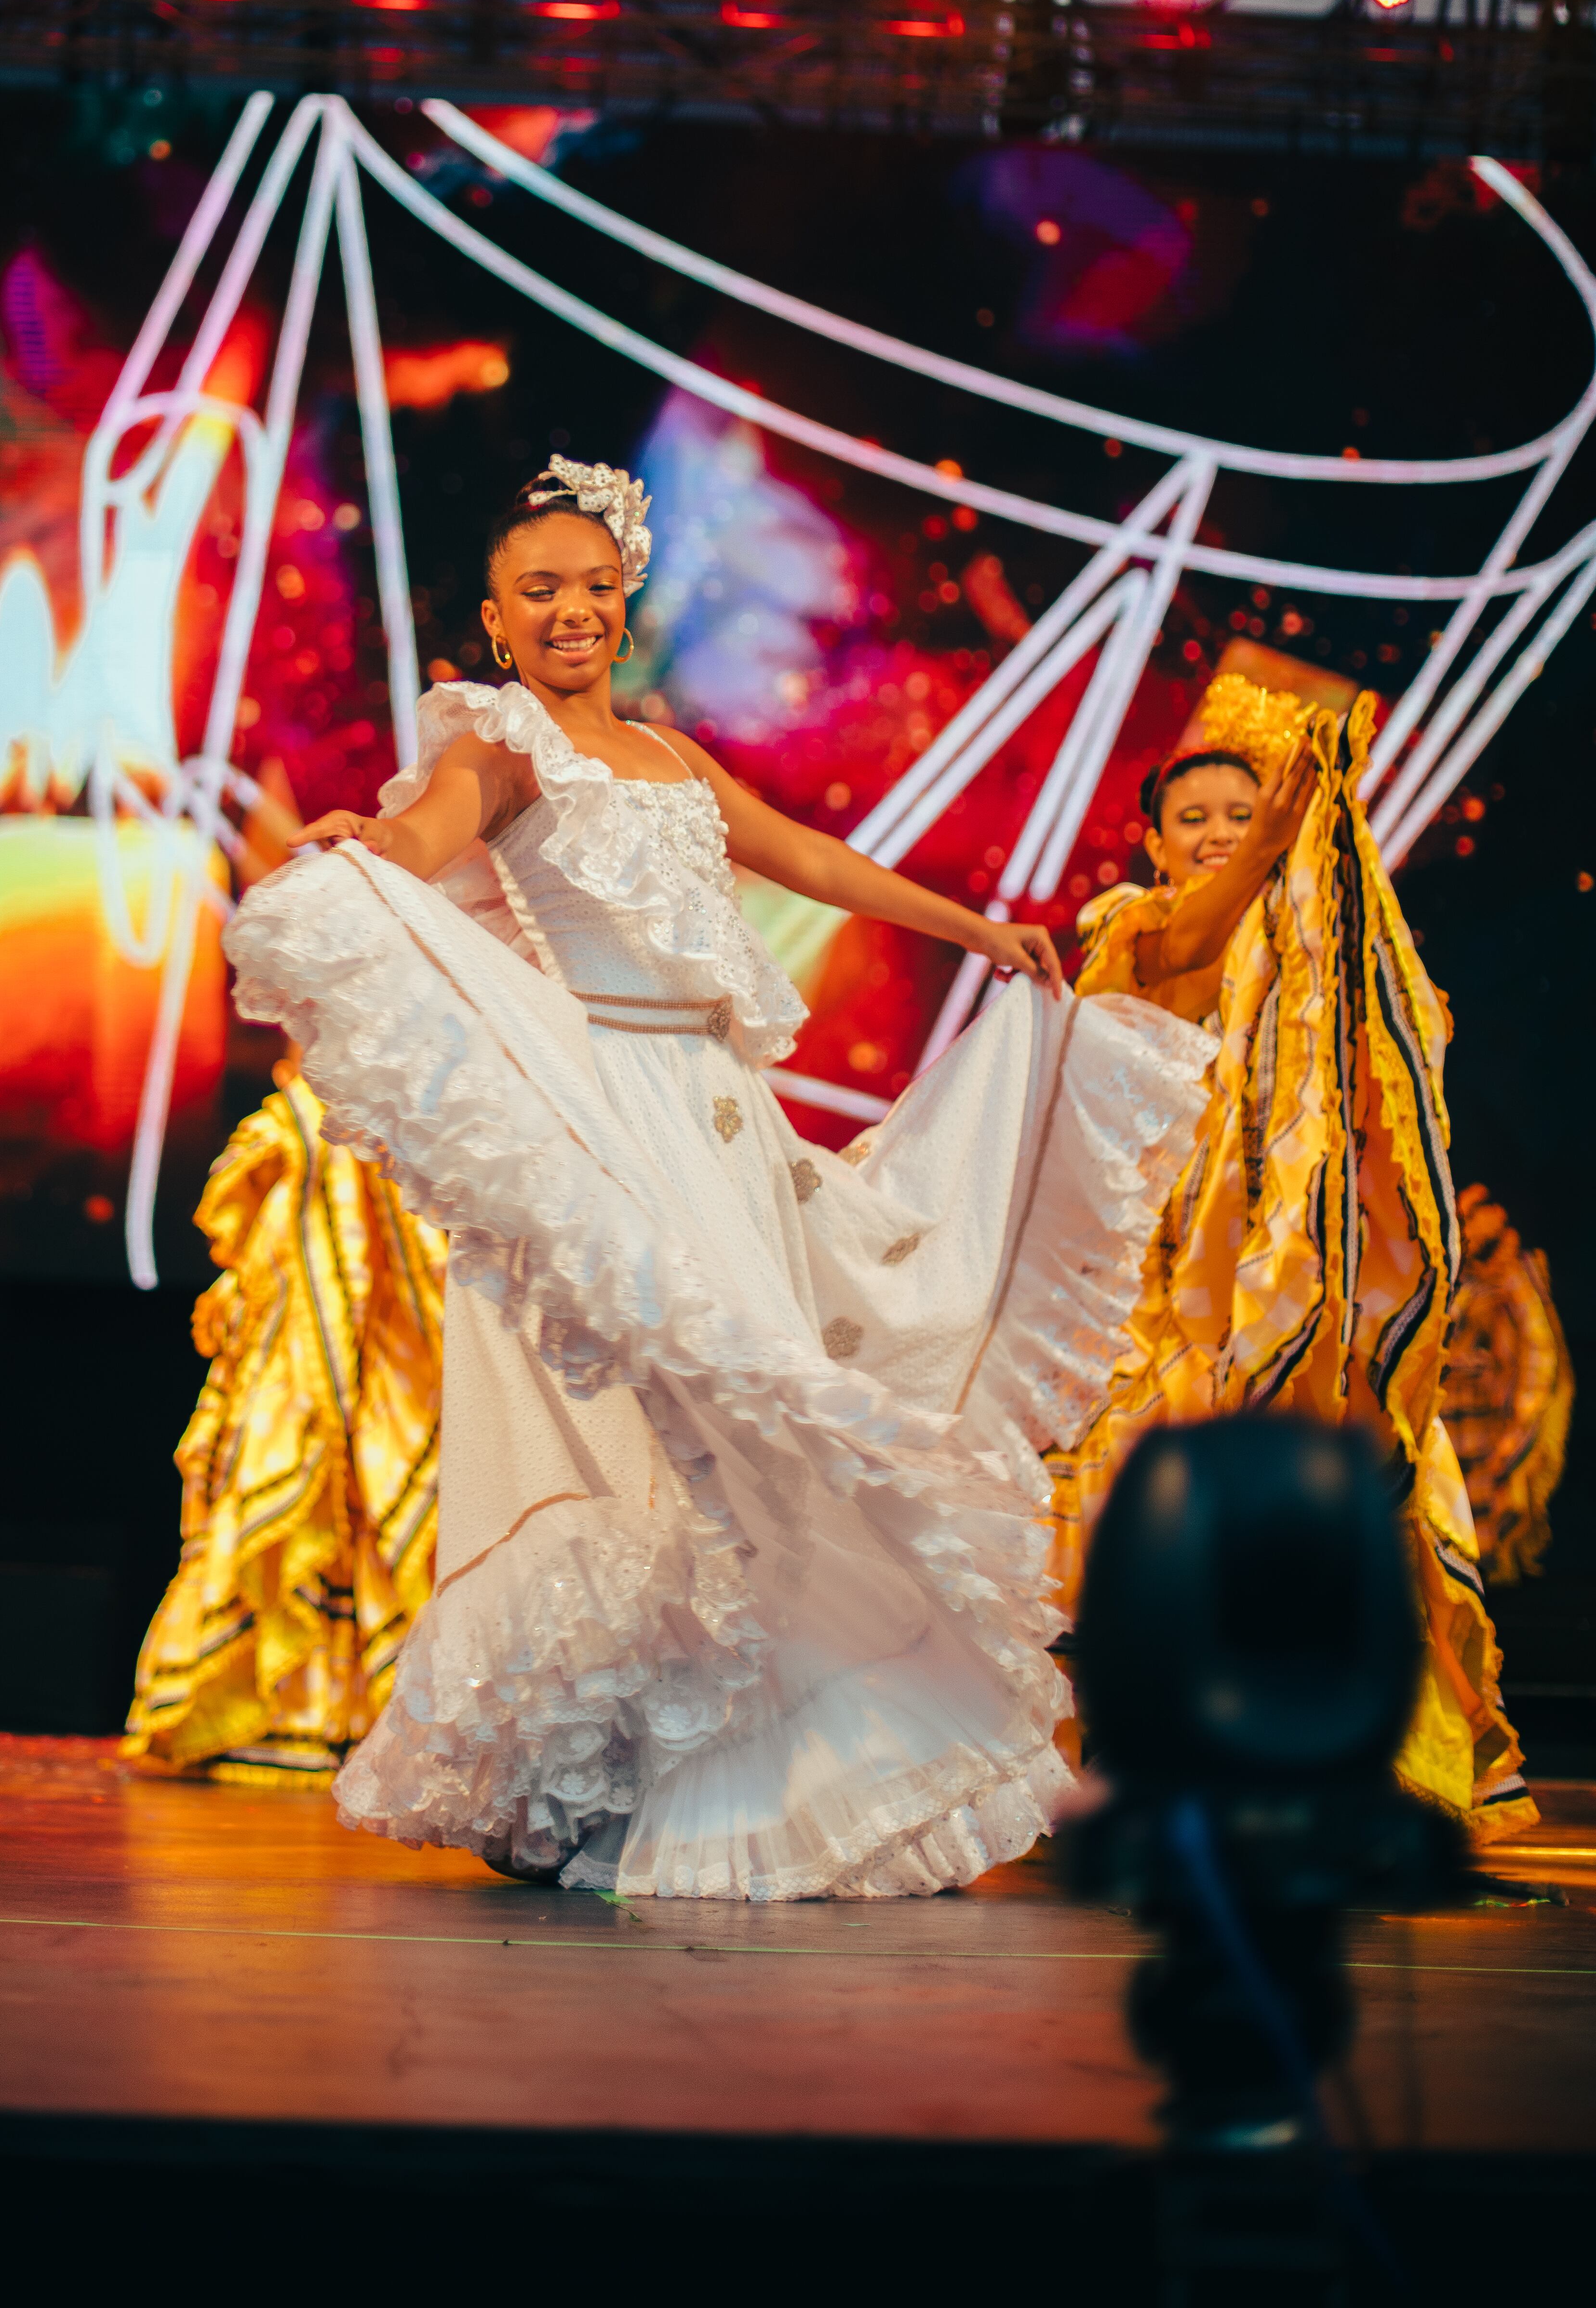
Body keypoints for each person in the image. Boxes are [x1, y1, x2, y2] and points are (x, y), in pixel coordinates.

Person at [227, 457, 1211, 1899]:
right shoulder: (498, 746)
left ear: (625, 605)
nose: (572, 611)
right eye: (539, 591)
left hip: (725, 1125)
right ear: (496, 622)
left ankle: (743, 1756)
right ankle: (620, 1775)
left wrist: (975, 927)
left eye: (594, 588)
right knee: (680, 1440)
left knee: (756, 1450)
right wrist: (369, 843)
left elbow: (806, 854)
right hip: (613, 1120)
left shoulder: (671, 757)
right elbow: (430, 831)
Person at [1047, 671, 1533, 1838]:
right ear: (1153, 841)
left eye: (1236, 814)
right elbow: (1191, 944)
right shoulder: (1134, 926)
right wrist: (1283, 815)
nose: (1216, 835)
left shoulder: (1310, 955)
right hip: (1157, 1281)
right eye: (1192, 820)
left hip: (1283, 1276)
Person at [122, 1062, 445, 1784]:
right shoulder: (298, 1123)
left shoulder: (350, 1114)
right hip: (312, 1257)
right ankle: (295, 1704)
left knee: (376, 1449)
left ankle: (365, 1706)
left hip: (388, 1224)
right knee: (303, 1450)